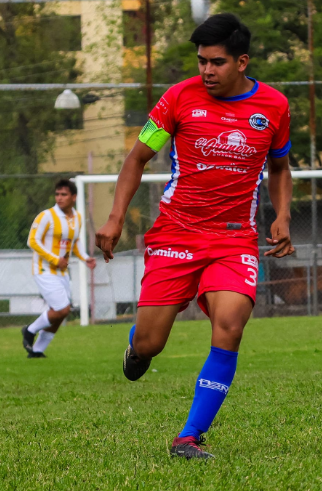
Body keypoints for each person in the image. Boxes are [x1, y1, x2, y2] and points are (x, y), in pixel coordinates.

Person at [95, 14, 294, 459]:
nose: (206, 71)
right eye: (201, 61)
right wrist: (114, 218)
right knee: (151, 343)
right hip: (176, 234)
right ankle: (137, 347)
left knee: (230, 326)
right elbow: (136, 159)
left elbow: (280, 169)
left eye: (217, 62)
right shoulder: (177, 98)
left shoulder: (275, 107)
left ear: (242, 62)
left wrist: (281, 215)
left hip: (233, 240)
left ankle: (188, 437)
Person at [22, 179, 96, 358]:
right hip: (44, 269)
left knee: (61, 313)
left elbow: (74, 244)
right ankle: (30, 330)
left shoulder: (77, 218)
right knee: (62, 308)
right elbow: (32, 240)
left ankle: (37, 351)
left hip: (62, 272)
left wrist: (86, 258)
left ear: (73, 197)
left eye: (64, 194)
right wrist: (54, 259)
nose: (59, 198)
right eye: (57, 194)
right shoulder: (46, 216)